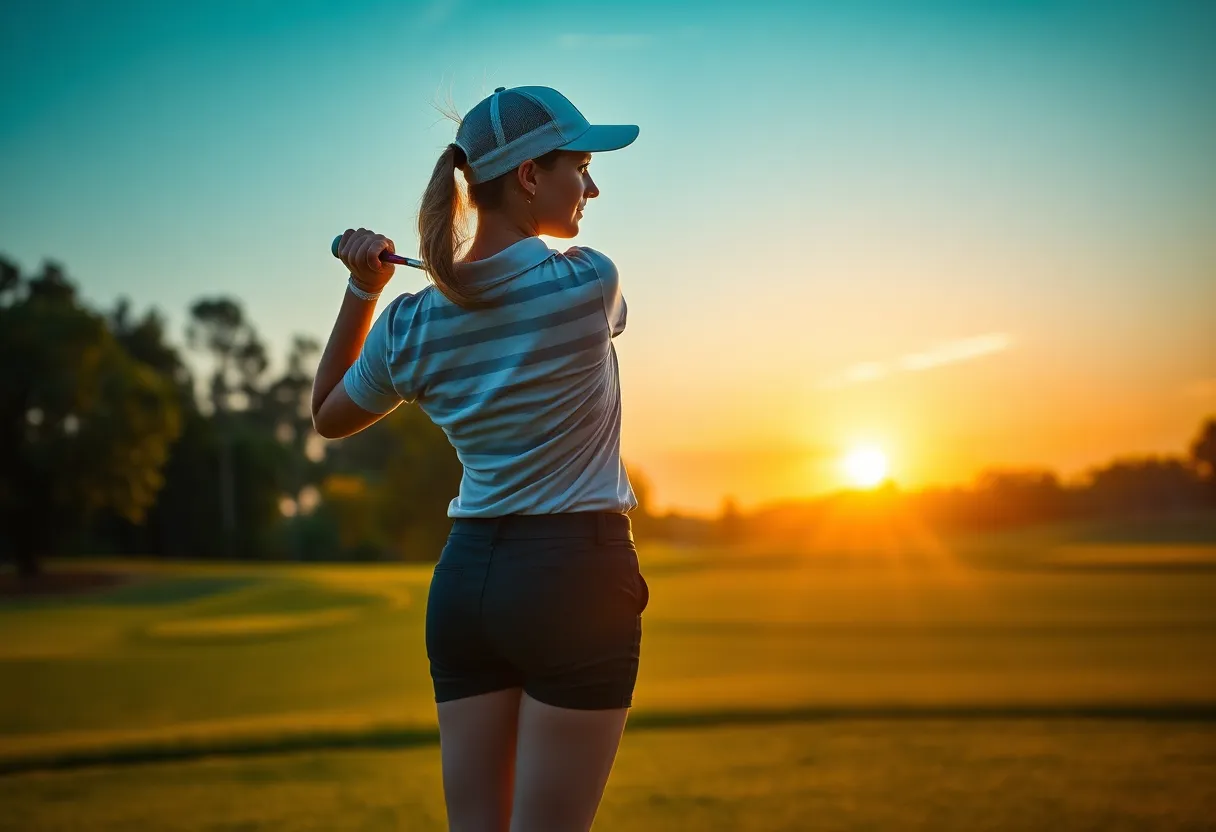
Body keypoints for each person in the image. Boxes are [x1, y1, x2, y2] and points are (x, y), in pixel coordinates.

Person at [311, 85, 648, 832]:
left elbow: (328, 414)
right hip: (574, 578)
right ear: (529, 175)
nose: (592, 187)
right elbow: (556, 307)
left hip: (467, 584)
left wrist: (362, 290)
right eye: (581, 167)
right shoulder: (591, 280)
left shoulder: (408, 321)